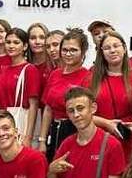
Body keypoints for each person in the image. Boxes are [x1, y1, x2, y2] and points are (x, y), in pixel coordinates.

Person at [37, 29, 91, 159]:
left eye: (73, 50)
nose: (68, 54)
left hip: (75, 130)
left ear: (83, 52)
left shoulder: (88, 77)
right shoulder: (55, 74)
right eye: (65, 50)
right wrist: (42, 140)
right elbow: (48, 109)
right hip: (54, 131)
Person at [89, 30, 132, 146]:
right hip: (100, 138)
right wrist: (106, 123)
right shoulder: (90, 79)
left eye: (116, 46)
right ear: (101, 52)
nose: (112, 50)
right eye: (107, 48)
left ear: (124, 48)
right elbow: (83, 113)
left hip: (131, 138)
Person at [0, 28, 42, 146]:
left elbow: (33, 104)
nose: (11, 46)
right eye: (8, 42)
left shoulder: (30, 69)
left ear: (25, 46)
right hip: (4, 121)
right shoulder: (4, 70)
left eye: (16, 42)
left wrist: (28, 137)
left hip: (21, 123)